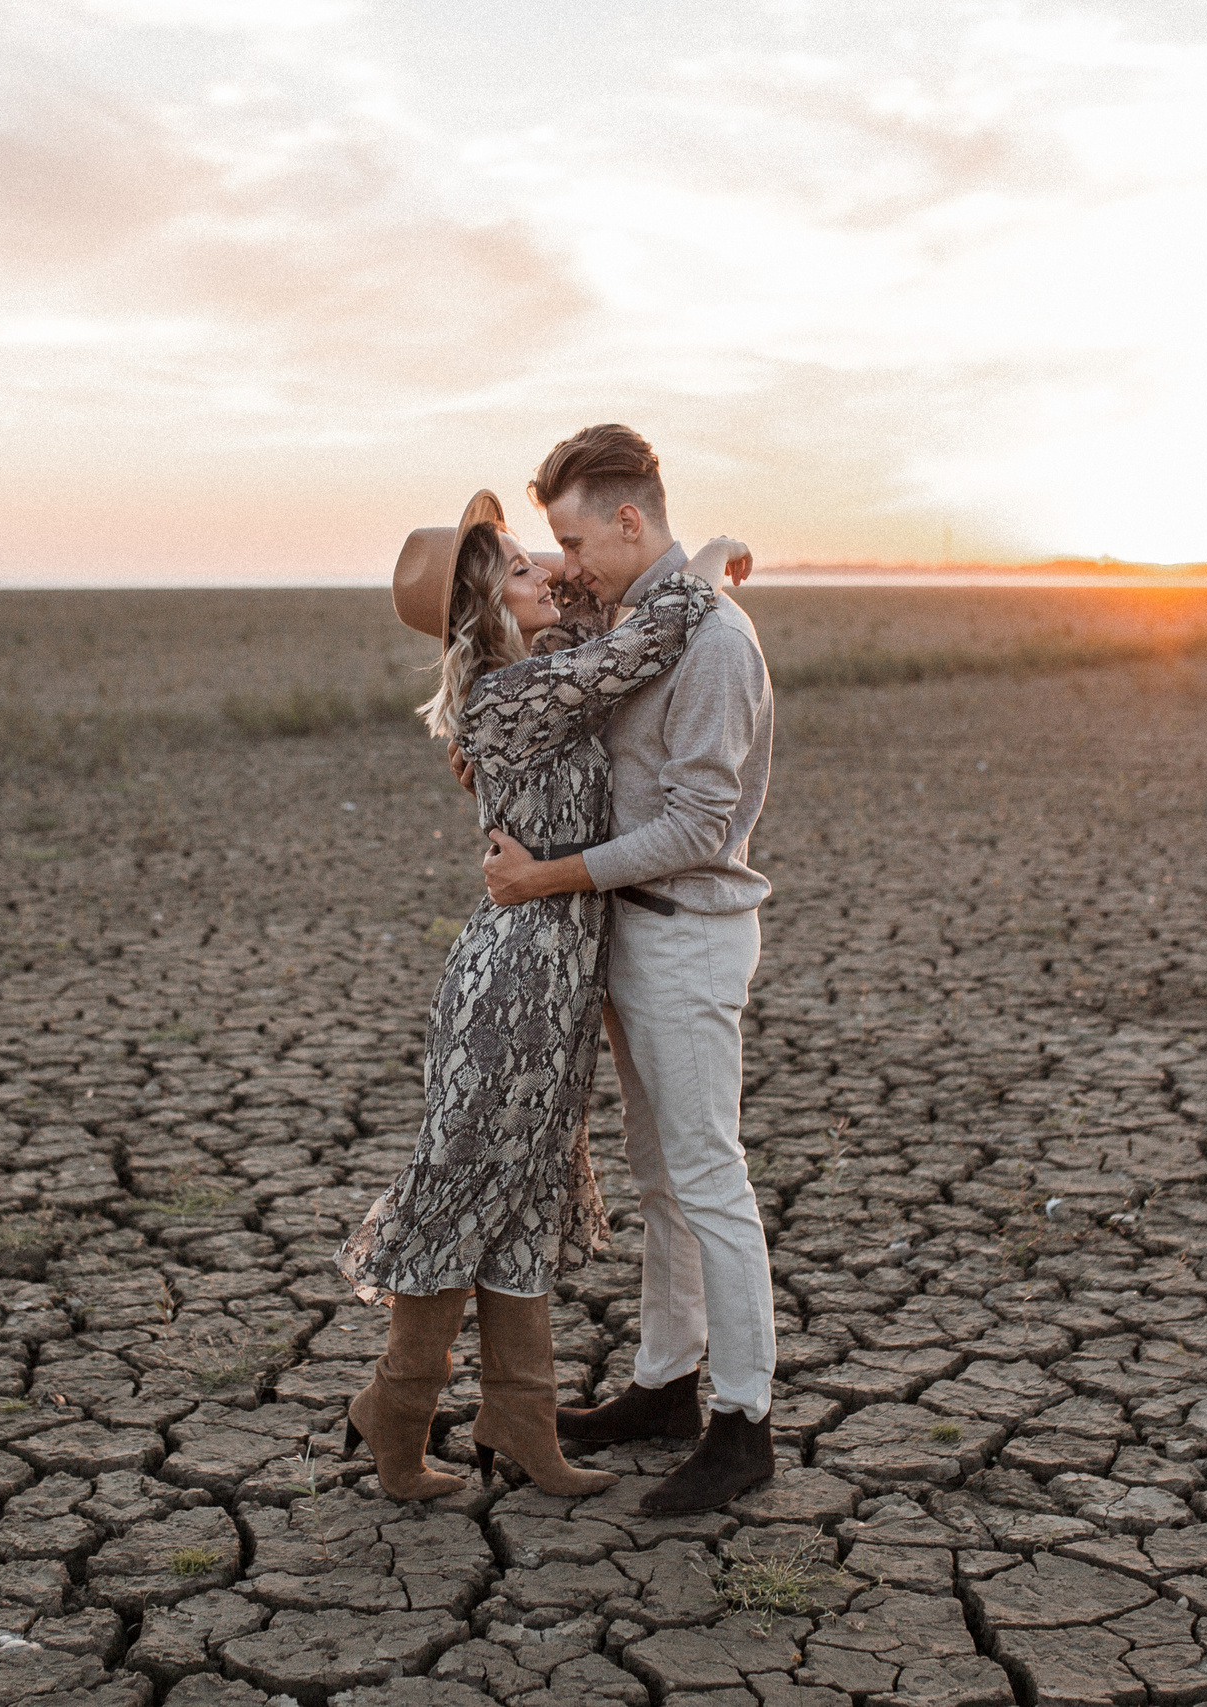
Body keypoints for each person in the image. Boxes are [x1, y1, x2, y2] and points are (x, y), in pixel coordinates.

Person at [335, 488, 751, 1501]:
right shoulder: (514, 697)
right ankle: (393, 1412)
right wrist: (706, 565)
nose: (551, 574)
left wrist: (634, 574)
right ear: (487, 604)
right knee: (466, 1183)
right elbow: (639, 642)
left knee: (528, 1189)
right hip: (514, 976)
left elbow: (600, 626)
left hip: (564, 974)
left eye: (544, 559)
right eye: (524, 568)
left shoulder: (540, 670)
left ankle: (518, 1417)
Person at [477, 424, 780, 1515]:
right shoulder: (648, 612)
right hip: (631, 933)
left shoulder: (713, 645)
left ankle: (745, 1422)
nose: (562, 566)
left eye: (572, 541)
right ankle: (665, 1386)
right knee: (661, 1181)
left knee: (707, 1177)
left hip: (689, 930)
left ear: (626, 519)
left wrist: (553, 876)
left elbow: (700, 824)